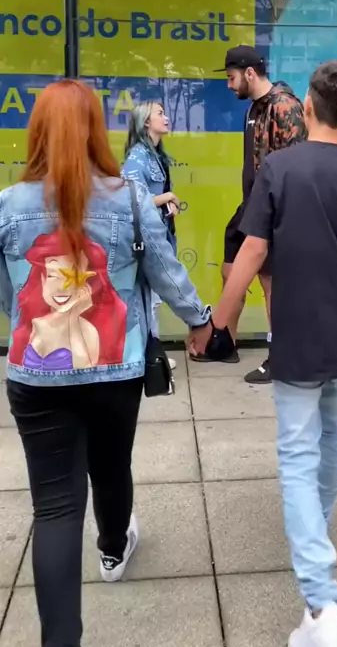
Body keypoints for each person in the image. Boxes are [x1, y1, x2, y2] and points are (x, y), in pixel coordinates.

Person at [192, 60, 337, 647]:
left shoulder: (280, 169)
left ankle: (320, 600)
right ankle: (316, 539)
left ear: (307, 108)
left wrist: (218, 322)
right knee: (331, 445)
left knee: (296, 454)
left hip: (297, 334)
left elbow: (252, 251)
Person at [2, 80, 212, 647]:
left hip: (35, 374)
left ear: (37, 132)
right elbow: (165, 270)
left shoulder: (7, 204)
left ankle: (60, 639)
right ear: (97, 131)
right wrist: (201, 319)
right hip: (114, 370)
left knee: (54, 508)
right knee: (111, 466)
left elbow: (9, 295)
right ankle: (113, 550)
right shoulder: (129, 197)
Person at [191, 45, 306, 383]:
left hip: (275, 212)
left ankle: (282, 356)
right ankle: (224, 342)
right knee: (231, 270)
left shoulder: (285, 107)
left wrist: (281, 219)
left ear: (250, 74)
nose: (229, 85)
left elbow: (298, 168)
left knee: (272, 285)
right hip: (251, 206)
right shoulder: (255, 107)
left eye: (231, 78)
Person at [123, 101, 179, 371]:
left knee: (153, 298)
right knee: (149, 299)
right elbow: (133, 199)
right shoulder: (137, 158)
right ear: (146, 122)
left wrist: (168, 204)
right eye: (160, 114)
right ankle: (149, 355)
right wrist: (166, 197)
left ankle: (151, 352)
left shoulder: (156, 155)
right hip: (147, 238)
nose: (166, 118)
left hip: (160, 233)